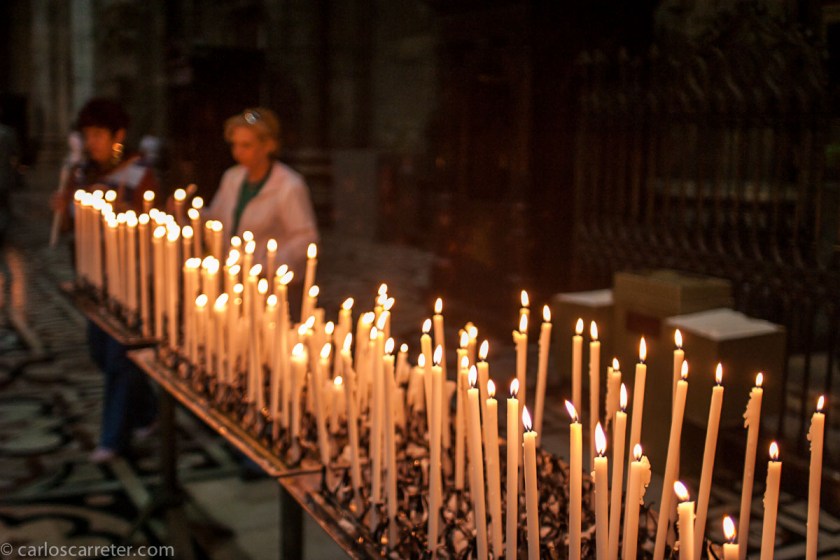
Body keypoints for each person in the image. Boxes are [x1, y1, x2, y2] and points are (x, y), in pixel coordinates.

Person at [51, 98, 159, 463]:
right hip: (92, 278)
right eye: (88, 134)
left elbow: (150, 224)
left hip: (129, 278)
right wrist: (62, 209)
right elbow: (68, 224)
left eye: (99, 134)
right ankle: (148, 411)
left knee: (118, 359)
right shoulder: (81, 173)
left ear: (118, 135)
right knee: (100, 352)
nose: (92, 141)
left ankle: (113, 439)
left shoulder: (138, 174)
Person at [205, 107, 319, 304]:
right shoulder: (233, 177)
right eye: (235, 145)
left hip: (270, 287)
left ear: (268, 146)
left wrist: (266, 265)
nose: (238, 152)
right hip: (233, 279)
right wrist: (188, 216)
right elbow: (217, 218)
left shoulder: (288, 186)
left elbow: (305, 239)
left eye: (246, 145)